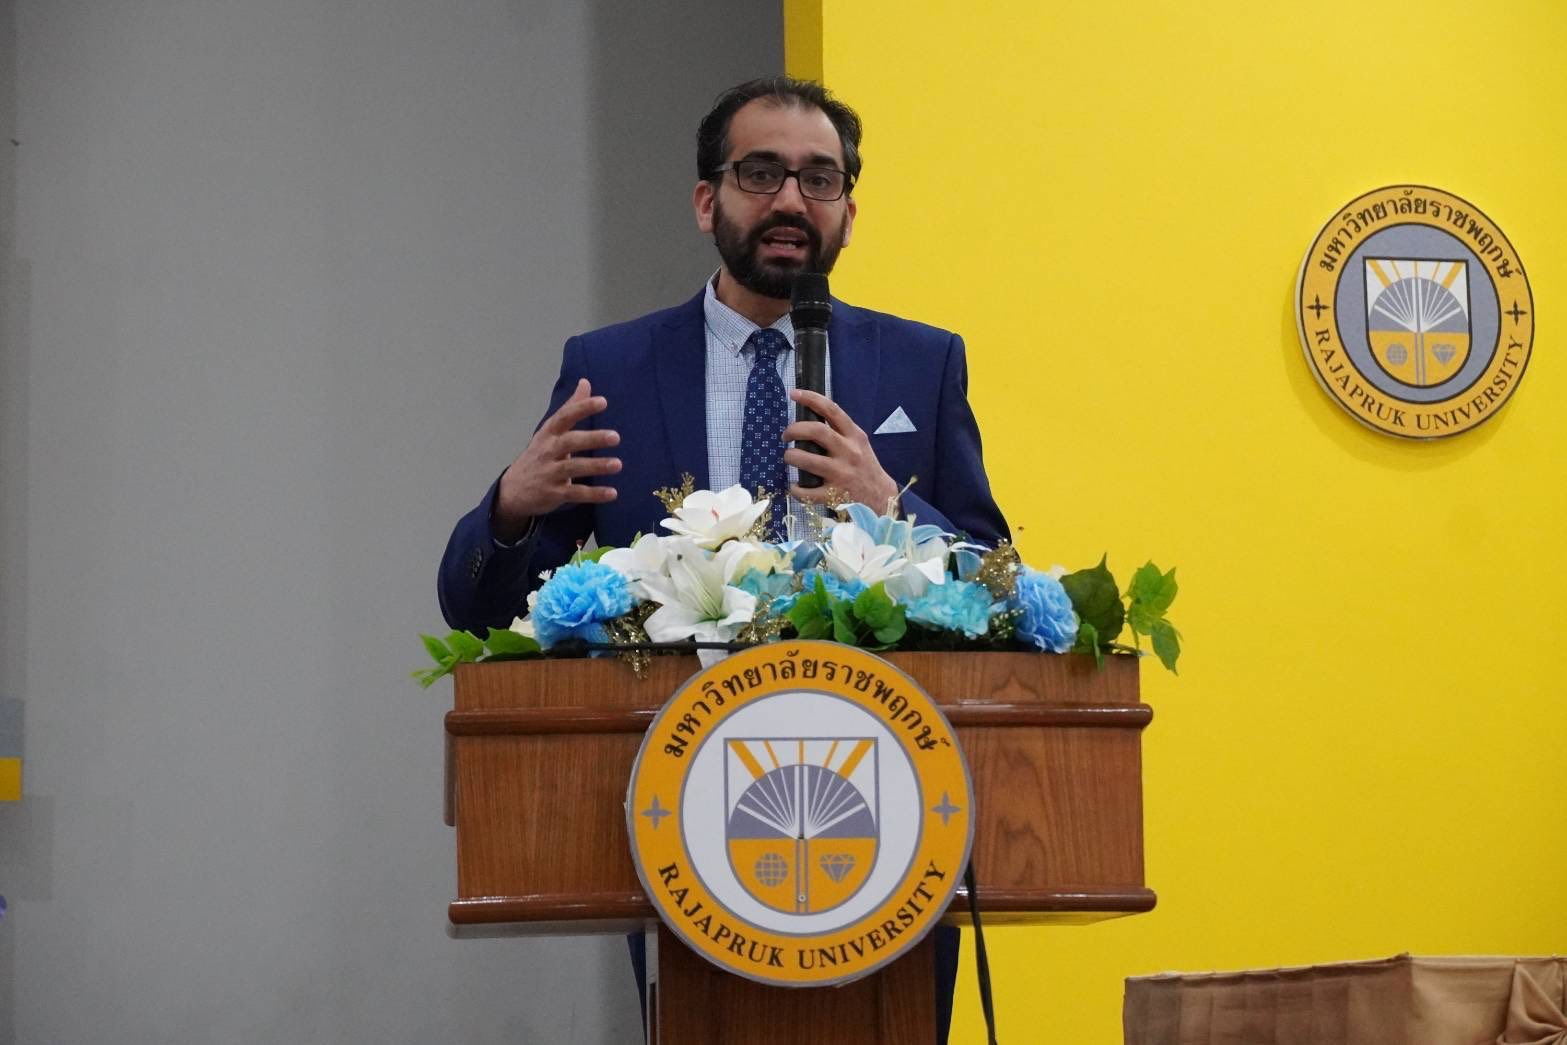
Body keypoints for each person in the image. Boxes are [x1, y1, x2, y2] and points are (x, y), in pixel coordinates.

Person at [438, 76, 1008, 1044]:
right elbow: (479, 607)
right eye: (761, 173)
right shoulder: (615, 368)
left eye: (819, 178)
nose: (791, 199)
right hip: (684, 811)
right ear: (708, 201)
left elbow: (996, 581)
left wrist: (890, 503)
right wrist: (509, 506)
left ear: (848, 212)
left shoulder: (922, 363)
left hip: (888, 805)